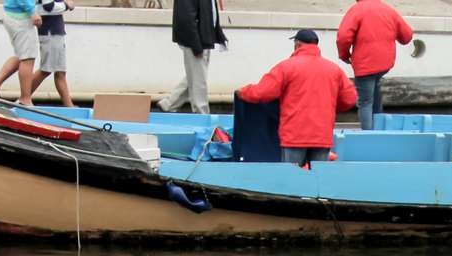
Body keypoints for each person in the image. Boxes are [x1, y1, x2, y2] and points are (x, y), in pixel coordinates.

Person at [237, 30, 358, 166]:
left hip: (294, 136)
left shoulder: (286, 67)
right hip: (322, 136)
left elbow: (262, 92)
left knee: (291, 177)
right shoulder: (334, 69)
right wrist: (330, 106)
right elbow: (350, 98)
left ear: (297, 45)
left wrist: (243, 92)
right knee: (318, 177)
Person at [335, 0, 413, 131]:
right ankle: (378, 131)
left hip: (365, 65)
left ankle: (368, 135)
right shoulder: (388, 10)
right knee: (376, 97)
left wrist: (344, 55)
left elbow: (343, 37)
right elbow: (407, 36)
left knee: (365, 102)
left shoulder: (357, 10)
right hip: (384, 63)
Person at [159, 0, 227, 115]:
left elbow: (210, 13)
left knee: (195, 76)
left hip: (202, 39)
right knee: (199, 81)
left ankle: (168, 104)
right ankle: (201, 115)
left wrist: (218, 35)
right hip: (196, 40)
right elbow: (186, 18)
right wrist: (196, 46)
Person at [0, 0, 41, 107]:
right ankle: (25, 99)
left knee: (21, 56)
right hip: (21, 17)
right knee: (27, 58)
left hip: (15, 15)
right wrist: (32, 12)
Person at [32, 0, 75, 108]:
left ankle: (69, 107)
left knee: (60, 72)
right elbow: (48, 7)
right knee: (45, 70)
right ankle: (23, 98)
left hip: (55, 31)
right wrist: (66, 5)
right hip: (50, 32)